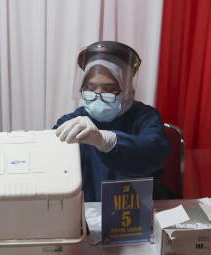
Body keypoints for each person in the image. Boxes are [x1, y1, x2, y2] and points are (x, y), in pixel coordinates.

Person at [53, 41, 171, 201]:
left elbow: (154, 154)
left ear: (127, 89)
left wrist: (107, 141)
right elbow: (53, 168)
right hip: (83, 213)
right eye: (89, 87)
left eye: (109, 89)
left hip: (133, 211)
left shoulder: (145, 117)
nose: (98, 95)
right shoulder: (71, 122)